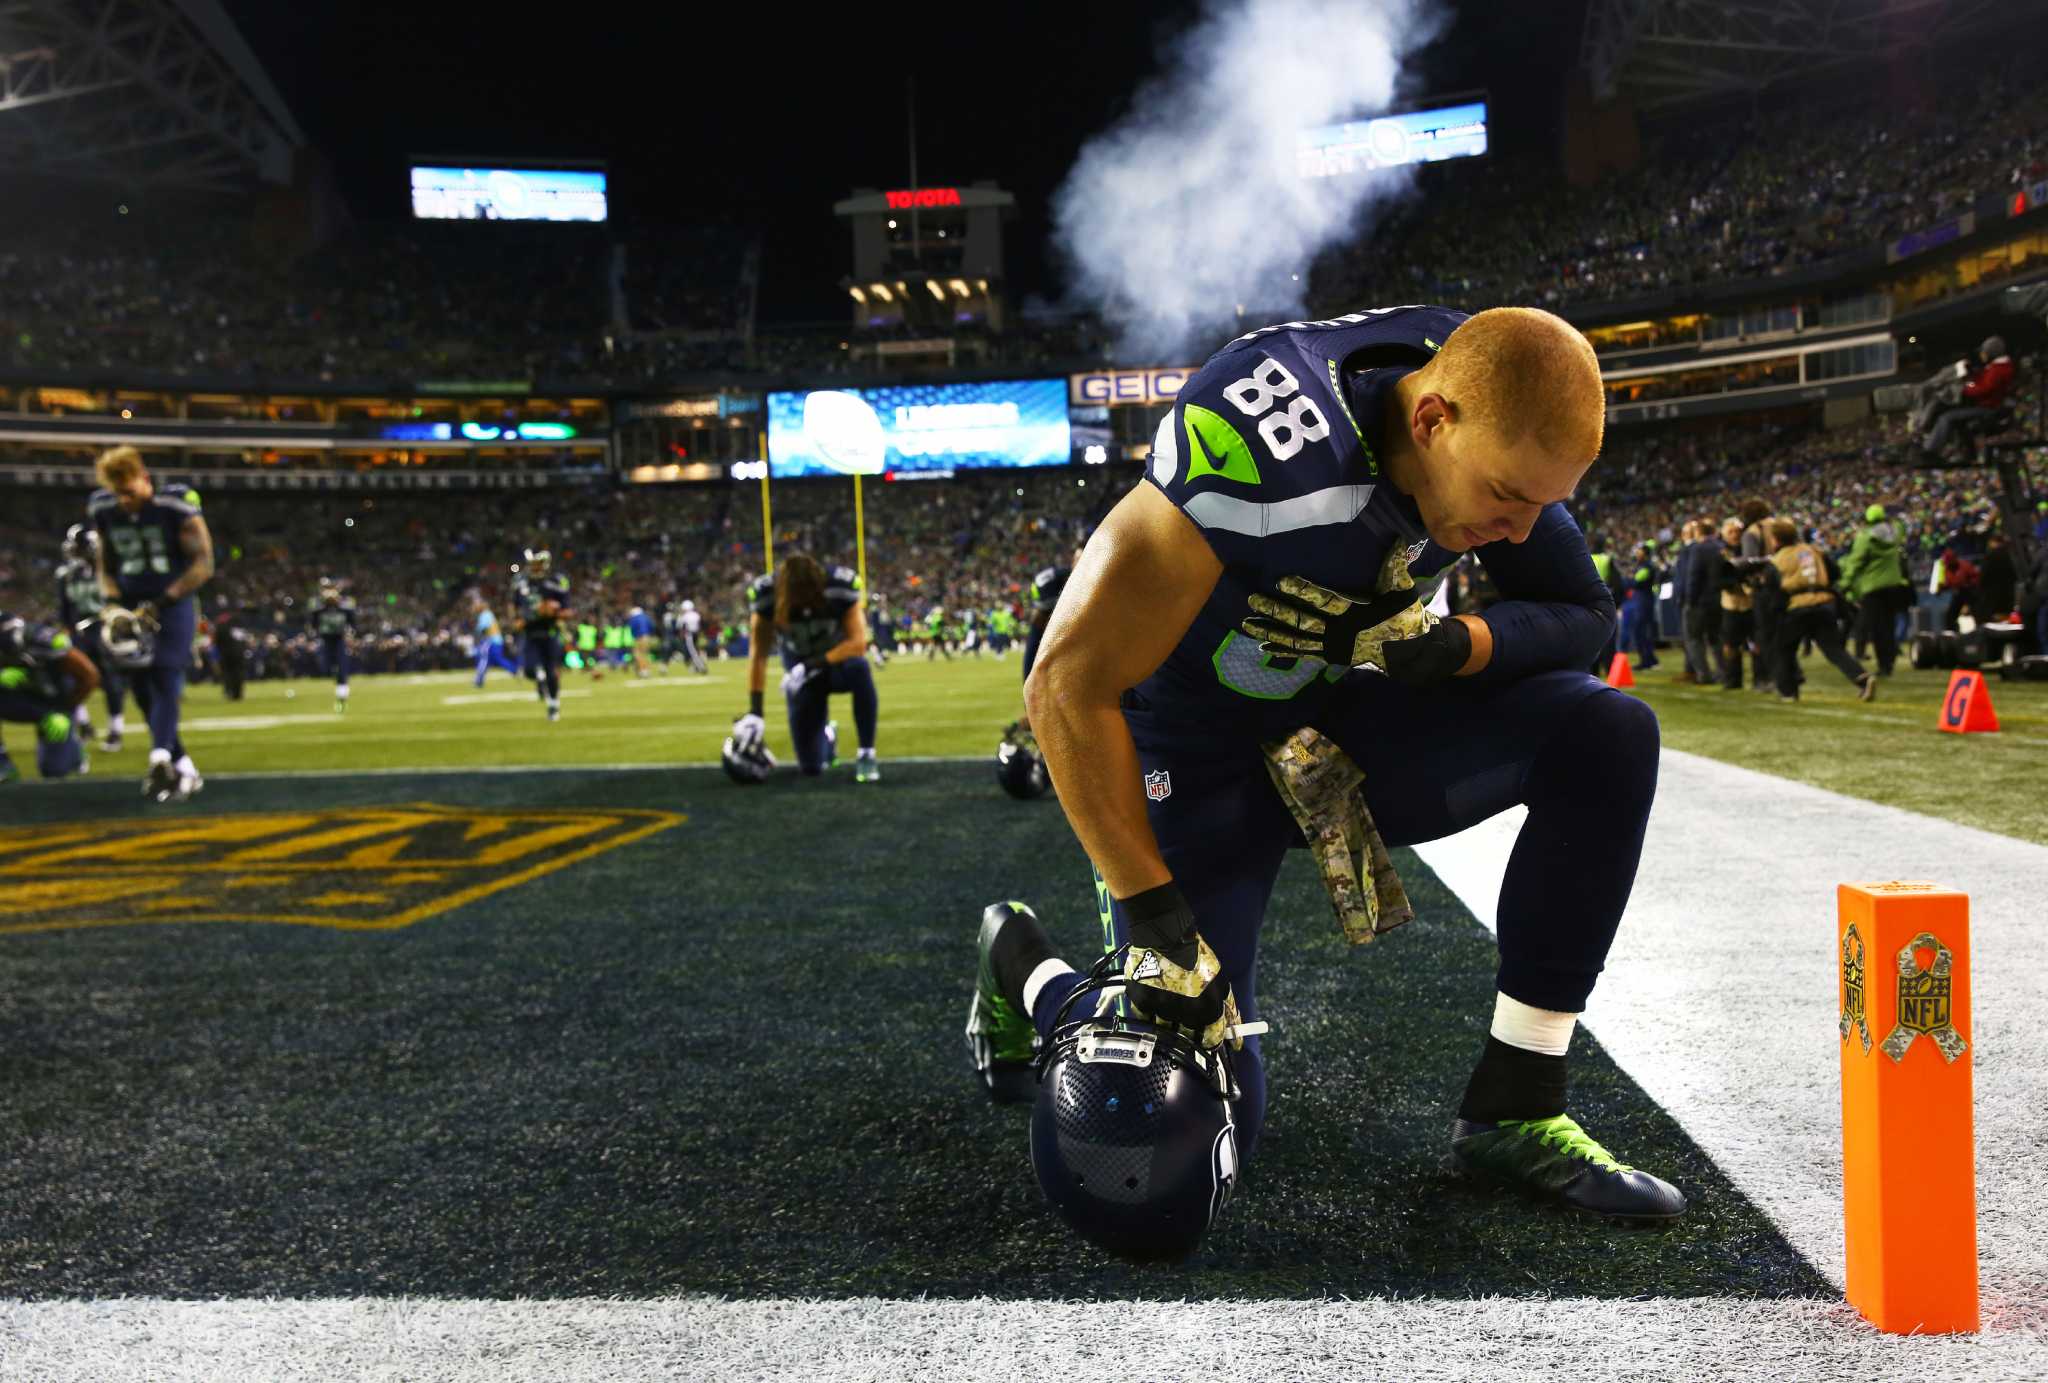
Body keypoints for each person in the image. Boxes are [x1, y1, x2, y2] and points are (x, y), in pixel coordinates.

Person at [970, 305, 1684, 1252]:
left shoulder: (1487, 400)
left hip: (1339, 726)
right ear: (1432, 419)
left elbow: (1584, 612)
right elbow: (1064, 681)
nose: (1517, 533)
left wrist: (1461, 645)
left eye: (1538, 508)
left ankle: (1517, 1103)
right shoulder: (1251, 443)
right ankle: (1026, 967)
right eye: (1509, 497)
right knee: (1180, 1136)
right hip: (1192, 754)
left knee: (1608, 731)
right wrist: (1153, 914)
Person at [87, 445, 212, 803]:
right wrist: (111, 604)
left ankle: (159, 758)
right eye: (118, 494)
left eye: (129, 492)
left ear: (145, 479)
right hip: (128, 606)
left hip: (171, 604)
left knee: (166, 674)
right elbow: (105, 565)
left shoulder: (175, 509)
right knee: (141, 689)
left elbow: (203, 564)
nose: (124, 501)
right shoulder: (104, 510)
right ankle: (182, 766)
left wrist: (161, 603)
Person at [733, 554, 880, 783]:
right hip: (801, 678)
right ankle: (827, 737)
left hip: (836, 667)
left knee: (859, 668)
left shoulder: (839, 587)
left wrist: (809, 665)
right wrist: (755, 711)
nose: (802, 605)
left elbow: (858, 644)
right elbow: (758, 655)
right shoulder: (766, 596)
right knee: (811, 768)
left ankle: (866, 754)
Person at [1765, 518, 1874, 702]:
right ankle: (1861, 677)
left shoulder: (1777, 561)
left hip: (1797, 606)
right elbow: (1835, 573)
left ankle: (1788, 692)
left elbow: (1774, 590)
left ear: (1775, 539)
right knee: (1833, 648)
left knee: (1784, 649)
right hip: (1824, 604)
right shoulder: (1814, 551)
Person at [0, 610, 97, 784]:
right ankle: (3, 765)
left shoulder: (44, 640)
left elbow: (89, 675)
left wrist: (66, 709)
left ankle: (75, 751)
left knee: (53, 771)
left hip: (54, 702)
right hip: (21, 702)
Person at [55, 523, 126, 749]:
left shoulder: (110, 571)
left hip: (104, 629)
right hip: (78, 631)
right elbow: (65, 609)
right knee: (67, 679)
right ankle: (84, 724)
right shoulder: (66, 574)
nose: (72, 551)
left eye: (77, 547)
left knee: (111, 681)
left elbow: (119, 602)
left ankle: (116, 730)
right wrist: (66, 631)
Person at [1836, 504, 1912, 676]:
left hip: (1872, 588)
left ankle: (1883, 666)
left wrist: (1844, 584)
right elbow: (1901, 525)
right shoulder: (1894, 533)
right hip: (1893, 586)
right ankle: (1889, 663)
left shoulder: (1865, 537)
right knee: (1889, 626)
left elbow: (1855, 562)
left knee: (1877, 628)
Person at [1922, 336, 2016, 462]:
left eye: (1984, 352)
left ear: (1991, 353)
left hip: (1987, 408)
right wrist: (1972, 375)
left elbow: (1982, 389)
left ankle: (1930, 451)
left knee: (1946, 417)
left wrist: (1965, 386)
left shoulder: (1998, 370)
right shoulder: (1997, 367)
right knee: (1959, 420)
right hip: (1986, 405)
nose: (1982, 355)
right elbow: (1982, 381)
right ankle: (1969, 453)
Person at [510, 549, 571, 722]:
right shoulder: (521, 582)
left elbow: (567, 611)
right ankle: (540, 679)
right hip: (529, 632)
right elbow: (515, 606)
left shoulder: (556, 581)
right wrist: (517, 619)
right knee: (529, 670)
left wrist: (553, 611)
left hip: (549, 631)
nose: (533, 567)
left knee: (552, 671)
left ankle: (553, 704)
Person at [307, 578, 356, 714]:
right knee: (325, 667)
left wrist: (338, 602)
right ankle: (336, 684)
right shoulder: (317, 604)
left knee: (342, 667)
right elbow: (313, 620)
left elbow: (352, 620)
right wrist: (325, 603)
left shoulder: (345, 603)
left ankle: (342, 695)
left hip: (339, 639)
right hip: (324, 639)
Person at [472, 596, 519, 686]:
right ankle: (513, 669)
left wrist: (477, 638)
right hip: (495, 640)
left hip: (492, 641)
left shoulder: (485, 614)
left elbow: (481, 629)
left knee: (485, 658)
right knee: (493, 659)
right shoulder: (487, 614)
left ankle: (479, 679)